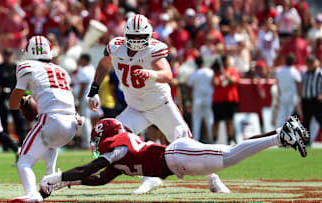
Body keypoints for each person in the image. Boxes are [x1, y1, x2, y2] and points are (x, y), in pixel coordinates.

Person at [86, 14, 229, 195]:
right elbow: (104, 64)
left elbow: (167, 74)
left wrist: (150, 74)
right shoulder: (116, 47)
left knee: (185, 142)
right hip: (135, 108)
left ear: (149, 36)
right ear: (125, 35)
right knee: (115, 139)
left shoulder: (153, 50)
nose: (137, 42)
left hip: (161, 105)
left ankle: (212, 178)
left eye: (141, 37)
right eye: (133, 37)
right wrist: (94, 89)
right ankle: (149, 177)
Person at [40, 116, 309, 197]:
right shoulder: (117, 157)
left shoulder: (118, 147)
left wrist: (57, 177)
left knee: (229, 156)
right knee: (230, 153)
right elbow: (99, 178)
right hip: (178, 162)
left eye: (98, 138)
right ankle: (281, 133)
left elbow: (90, 167)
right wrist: (68, 183)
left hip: (177, 154)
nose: (98, 144)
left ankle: (280, 136)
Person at [9, 35, 83, 202]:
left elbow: (14, 101)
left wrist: (20, 103)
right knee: (50, 143)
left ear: (28, 52)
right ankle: (49, 181)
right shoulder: (61, 70)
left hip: (51, 120)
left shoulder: (25, 66)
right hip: (72, 122)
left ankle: (31, 194)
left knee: (23, 162)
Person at [0, 49, 27, 147]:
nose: (8, 57)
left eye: (10, 54)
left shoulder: (16, 67)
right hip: (2, 97)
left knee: (18, 119)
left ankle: (22, 142)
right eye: (6, 54)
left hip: (14, 96)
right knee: (3, 120)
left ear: (12, 55)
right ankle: (6, 145)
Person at [211, 55, 240, 144]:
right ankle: (215, 140)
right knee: (216, 121)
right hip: (218, 100)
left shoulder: (232, 71)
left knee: (229, 120)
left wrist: (223, 72)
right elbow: (214, 83)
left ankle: (230, 139)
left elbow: (233, 81)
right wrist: (214, 72)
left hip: (230, 99)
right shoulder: (217, 73)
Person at [186, 56, 214, 143]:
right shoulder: (210, 72)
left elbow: (189, 88)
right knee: (209, 119)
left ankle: (196, 142)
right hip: (207, 99)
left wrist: (189, 102)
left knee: (196, 121)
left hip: (197, 100)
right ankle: (212, 140)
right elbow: (215, 82)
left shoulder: (194, 74)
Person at [275, 53, 302, 128]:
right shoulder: (294, 72)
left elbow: (278, 84)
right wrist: (299, 96)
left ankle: (279, 132)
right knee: (291, 115)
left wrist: (279, 93)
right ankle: (289, 133)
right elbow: (299, 83)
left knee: (282, 115)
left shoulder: (280, 71)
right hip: (292, 96)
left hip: (283, 95)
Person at [301, 55, 322, 145]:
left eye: (311, 63)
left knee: (320, 119)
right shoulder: (305, 73)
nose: (309, 65)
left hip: (316, 100)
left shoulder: (319, 73)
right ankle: (306, 142)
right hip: (306, 100)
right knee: (306, 121)